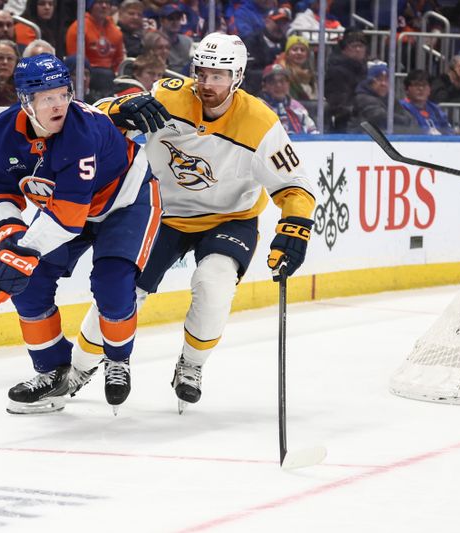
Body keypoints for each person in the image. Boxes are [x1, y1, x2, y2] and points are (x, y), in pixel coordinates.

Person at [69, 33, 316, 414]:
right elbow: (95, 116)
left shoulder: (260, 122)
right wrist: (118, 111)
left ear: (237, 77)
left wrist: (295, 226)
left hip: (230, 218)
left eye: (218, 76)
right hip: (160, 213)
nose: (207, 84)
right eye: (202, 73)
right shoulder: (168, 97)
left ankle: (191, 364)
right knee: (122, 293)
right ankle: (79, 368)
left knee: (213, 284)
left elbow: (294, 184)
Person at [0, 53, 164, 415]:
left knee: (113, 284)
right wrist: (9, 241)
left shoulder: (82, 131)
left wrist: (20, 256)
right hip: (67, 212)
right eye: (46, 97)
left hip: (125, 202)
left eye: (63, 93)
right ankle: (54, 373)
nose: (58, 104)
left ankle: (118, 360)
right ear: (25, 101)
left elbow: (67, 218)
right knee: (28, 284)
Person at [348, 61, 416, 134]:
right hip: (361, 140)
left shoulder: (389, 98)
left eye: (386, 80)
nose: (383, 84)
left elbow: (409, 117)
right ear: (369, 82)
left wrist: (407, 120)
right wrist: (405, 121)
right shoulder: (363, 98)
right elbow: (380, 117)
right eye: (379, 79)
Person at [259, 63, 317, 134]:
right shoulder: (258, 107)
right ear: (264, 86)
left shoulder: (296, 107)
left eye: (282, 81)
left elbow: (312, 132)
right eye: (272, 81)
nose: (278, 85)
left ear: (288, 83)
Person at [399, 69, 454, 135]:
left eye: (424, 85)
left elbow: (447, 130)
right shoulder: (401, 108)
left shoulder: (435, 109)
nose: (421, 88)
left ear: (429, 89)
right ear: (407, 89)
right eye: (416, 85)